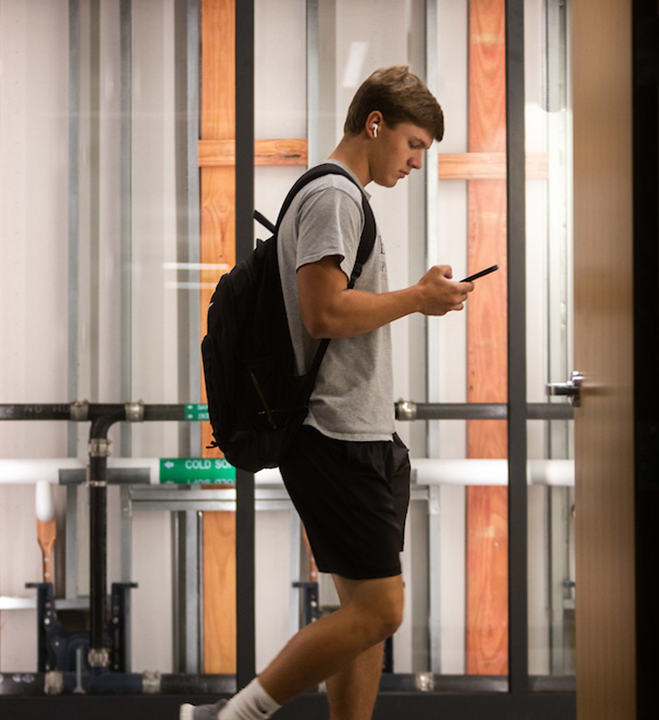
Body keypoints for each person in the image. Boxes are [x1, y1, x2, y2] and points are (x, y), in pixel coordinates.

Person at [181, 65, 472, 720]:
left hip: (362, 433)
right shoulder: (335, 198)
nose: (417, 162)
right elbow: (324, 314)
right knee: (382, 609)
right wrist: (419, 299)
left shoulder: (344, 198)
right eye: (413, 145)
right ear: (375, 125)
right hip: (334, 434)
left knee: (361, 613)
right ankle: (235, 715)